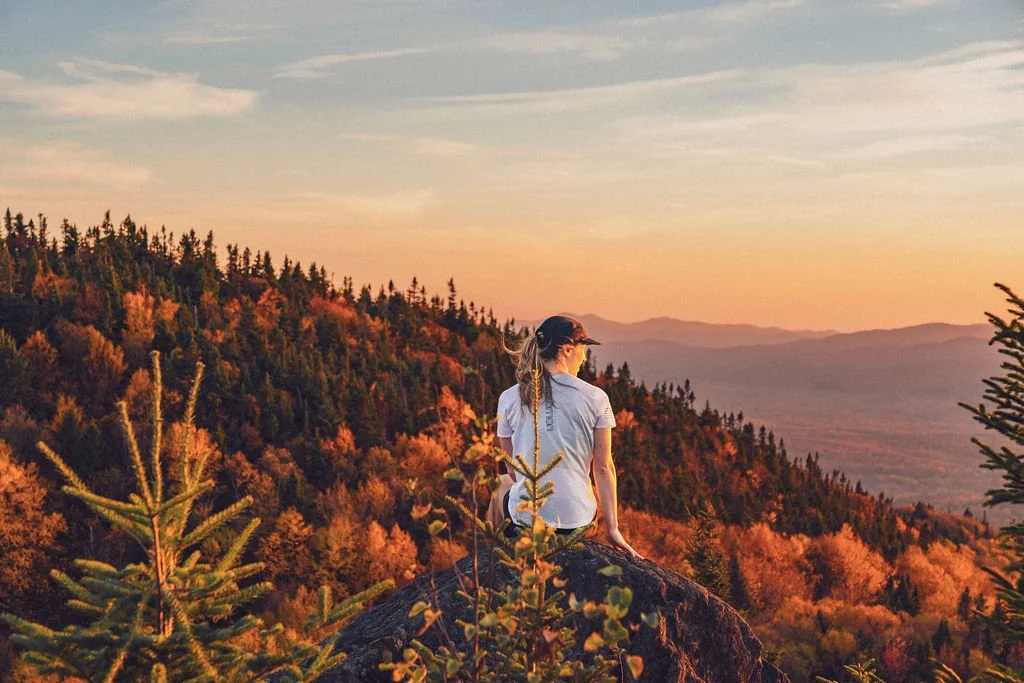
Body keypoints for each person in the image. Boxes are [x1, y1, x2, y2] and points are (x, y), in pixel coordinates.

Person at [490, 315, 642, 560]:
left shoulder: (508, 398)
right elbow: (603, 468)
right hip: (578, 522)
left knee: (500, 484)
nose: (584, 357)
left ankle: (503, 555)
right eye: (583, 349)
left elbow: (513, 471)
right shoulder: (596, 398)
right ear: (567, 349)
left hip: (526, 519)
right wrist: (612, 529)